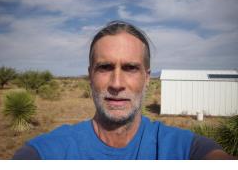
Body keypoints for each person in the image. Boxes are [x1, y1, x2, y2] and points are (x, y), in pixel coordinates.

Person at [13, 21, 235, 160]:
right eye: (105, 67)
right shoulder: (49, 152)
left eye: (130, 68)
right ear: (90, 75)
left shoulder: (183, 149)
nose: (116, 83)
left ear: (147, 78)